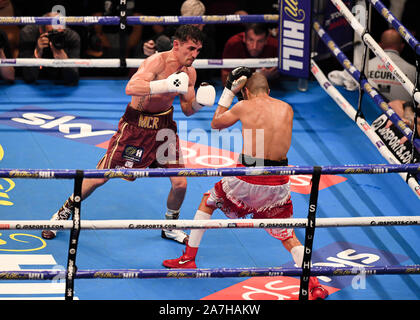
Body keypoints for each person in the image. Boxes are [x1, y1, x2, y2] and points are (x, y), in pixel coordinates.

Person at [162, 69, 329, 300]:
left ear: (247, 91)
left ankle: (188, 258)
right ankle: (314, 285)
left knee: (208, 201)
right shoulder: (287, 108)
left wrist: (230, 93)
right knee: (287, 234)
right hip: (278, 179)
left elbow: (215, 123)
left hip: (247, 174)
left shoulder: (244, 106)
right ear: (269, 91)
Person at [41, 25, 216, 244]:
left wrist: (200, 102)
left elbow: (188, 110)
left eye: (198, 50)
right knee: (100, 177)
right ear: (176, 45)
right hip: (136, 127)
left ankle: (171, 226)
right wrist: (164, 84)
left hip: (164, 128)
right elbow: (131, 87)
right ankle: (62, 213)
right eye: (191, 49)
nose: (194, 55)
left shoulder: (190, 72)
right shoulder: (157, 62)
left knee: (180, 183)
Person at [367, 29, 418, 128]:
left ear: (379, 45)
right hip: (399, 124)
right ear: (402, 46)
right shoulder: (413, 70)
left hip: (369, 117)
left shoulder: (365, 66)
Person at [18, 12, 80, 86]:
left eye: (60, 33)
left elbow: (73, 80)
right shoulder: (28, 34)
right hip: (37, 81)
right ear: (41, 31)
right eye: (53, 33)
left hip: (60, 81)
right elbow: (28, 78)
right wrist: (37, 53)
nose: (57, 36)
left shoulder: (71, 37)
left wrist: (65, 62)